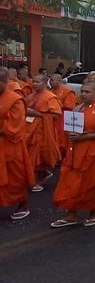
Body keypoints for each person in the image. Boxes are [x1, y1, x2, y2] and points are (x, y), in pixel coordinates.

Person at [51, 81, 95, 228]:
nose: (84, 94)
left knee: (92, 184)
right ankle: (71, 215)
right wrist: (71, 134)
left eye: (87, 92)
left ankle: (93, 213)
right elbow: (70, 128)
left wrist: (85, 137)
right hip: (75, 153)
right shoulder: (77, 108)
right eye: (83, 91)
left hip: (93, 154)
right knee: (71, 183)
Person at [0, 68, 35, 220]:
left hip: (10, 144)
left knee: (15, 177)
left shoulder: (15, 99)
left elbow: (14, 126)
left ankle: (23, 205)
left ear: (4, 82)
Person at [25, 74, 62, 192]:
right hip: (29, 129)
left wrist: (36, 114)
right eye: (33, 81)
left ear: (45, 83)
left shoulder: (50, 97)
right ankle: (42, 174)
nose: (34, 84)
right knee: (29, 155)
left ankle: (37, 180)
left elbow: (56, 115)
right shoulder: (31, 96)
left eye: (37, 82)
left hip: (43, 131)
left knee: (38, 156)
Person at [50, 74, 76, 158]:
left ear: (59, 81)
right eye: (50, 80)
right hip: (52, 118)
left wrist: (56, 105)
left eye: (53, 80)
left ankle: (63, 155)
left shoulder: (67, 91)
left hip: (63, 118)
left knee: (62, 138)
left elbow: (70, 106)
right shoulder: (50, 91)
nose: (51, 82)